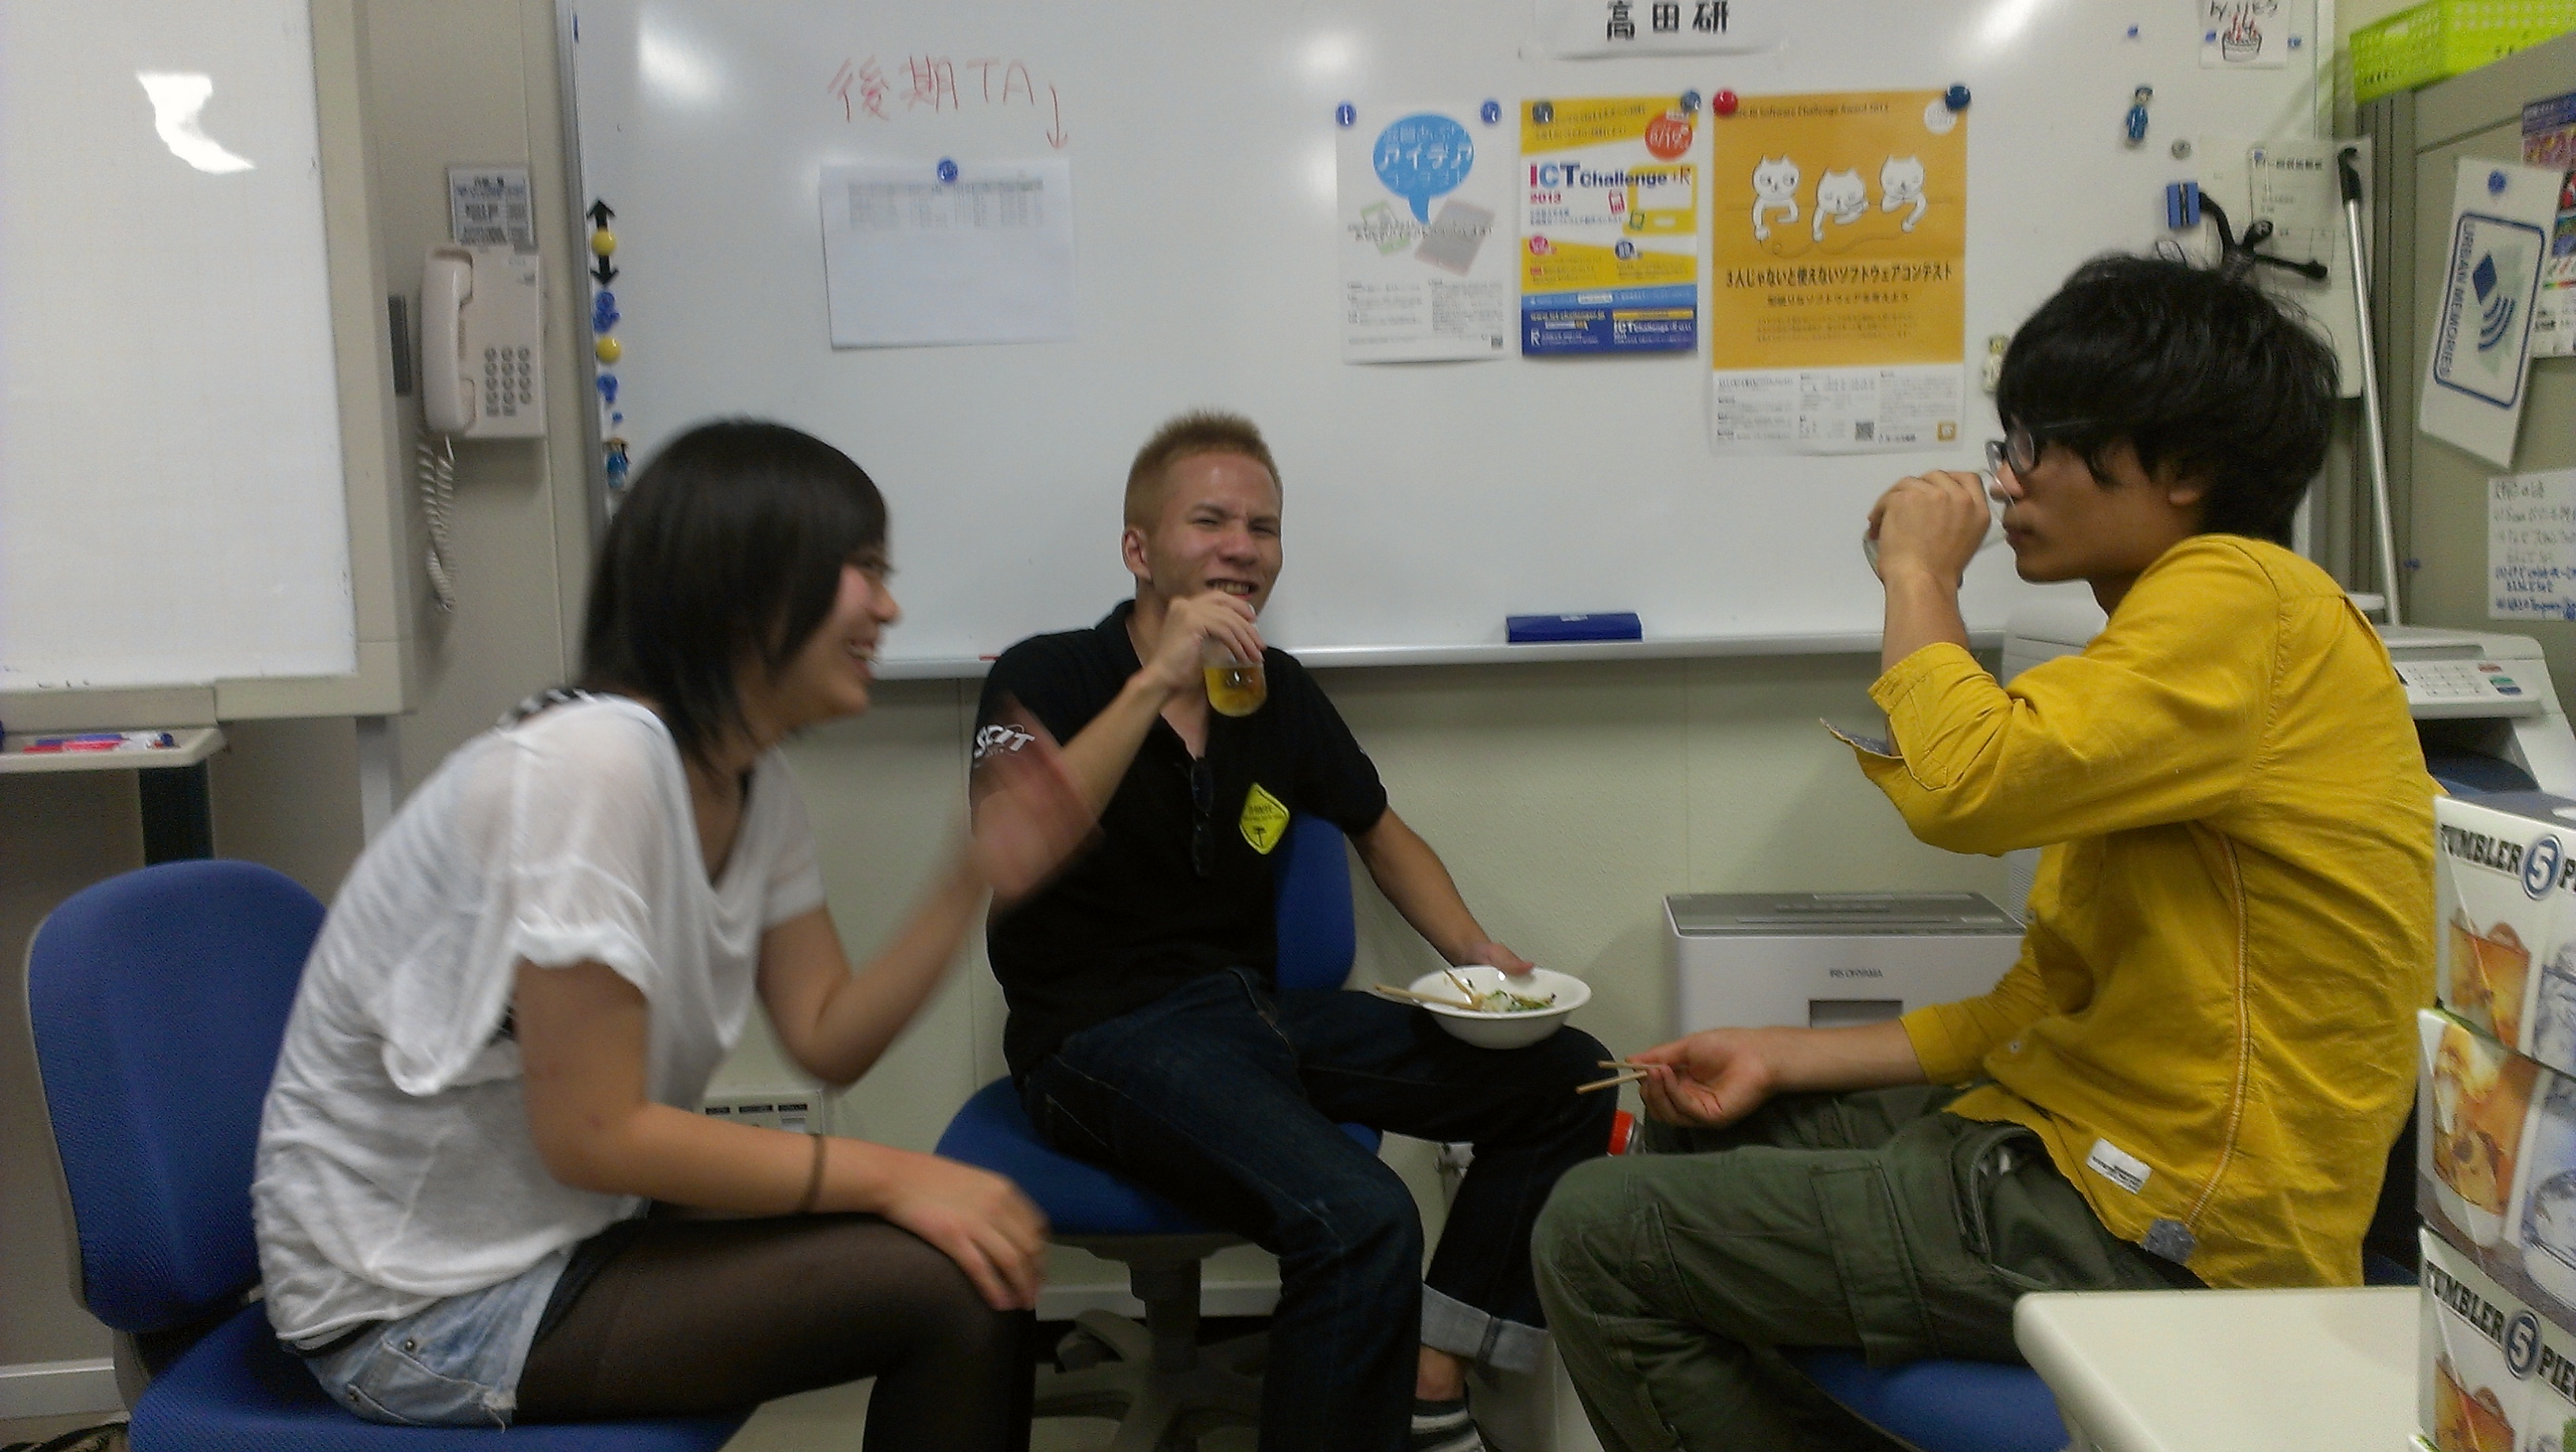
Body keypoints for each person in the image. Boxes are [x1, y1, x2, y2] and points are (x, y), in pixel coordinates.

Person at [1532, 255, 2436, 1452]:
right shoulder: (2161, 660)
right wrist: (1780, 1052)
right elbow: (2037, 1000)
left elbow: (1966, 781)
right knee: (1700, 1125)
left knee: (1595, 1234)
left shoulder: (2243, 597)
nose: (2006, 478)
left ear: (2183, 469)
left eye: (2043, 443)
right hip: (2068, 1136)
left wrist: (1919, 573)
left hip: (2168, 1224)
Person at [253, 421, 1094, 1447]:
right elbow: (595, 1135)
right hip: (415, 1306)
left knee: (967, 1251)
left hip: (567, 1235)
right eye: (864, 571)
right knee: (954, 1287)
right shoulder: (593, 768)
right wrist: (898, 1173)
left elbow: (828, 1034)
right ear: (745, 588)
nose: (889, 608)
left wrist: (972, 877)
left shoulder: (751, 783)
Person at [972, 411, 1615, 1452]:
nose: (1243, 548)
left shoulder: (1276, 690)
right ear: (1139, 548)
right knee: (1360, 1218)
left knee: (1570, 1078)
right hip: (1096, 1037)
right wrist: (1157, 679)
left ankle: (1433, 1372)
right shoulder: (1046, 675)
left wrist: (1481, 962)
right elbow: (1015, 842)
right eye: (1210, 522)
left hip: (1254, 1016)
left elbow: (1378, 829)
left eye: (1263, 528)